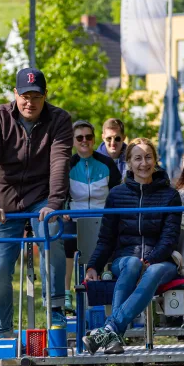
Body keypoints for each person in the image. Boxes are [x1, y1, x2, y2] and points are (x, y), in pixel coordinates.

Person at [0, 67, 72, 338]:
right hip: (3, 200)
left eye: (37, 96)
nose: (30, 103)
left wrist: (54, 203)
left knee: (51, 236)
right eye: (25, 96)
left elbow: (59, 161)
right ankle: (1, 332)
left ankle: (55, 312)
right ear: (15, 94)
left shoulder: (59, 119)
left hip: (41, 197)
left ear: (45, 96)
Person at [82, 138, 182, 354]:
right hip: (125, 259)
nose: (143, 163)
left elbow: (170, 237)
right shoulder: (117, 195)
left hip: (162, 261)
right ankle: (112, 332)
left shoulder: (170, 195)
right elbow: (106, 238)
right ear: (128, 162)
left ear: (155, 161)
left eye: (148, 157)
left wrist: (152, 259)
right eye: (137, 158)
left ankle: (110, 331)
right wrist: (93, 266)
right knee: (132, 264)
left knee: (152, 269)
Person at [64, 120, 122, 306]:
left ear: (94, 139)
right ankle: (66, 293)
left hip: (102, 216)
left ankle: (109, 288)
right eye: (79, 137)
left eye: (88, 137)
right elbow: (60, 193)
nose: (84, 141)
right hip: (76, 217)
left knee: (113, 240)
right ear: (73, 140)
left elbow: (116, 193)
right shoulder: (68, 165)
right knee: (66, 240)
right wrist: (64, 209)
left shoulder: (106, 163)